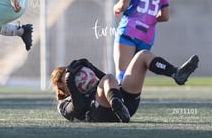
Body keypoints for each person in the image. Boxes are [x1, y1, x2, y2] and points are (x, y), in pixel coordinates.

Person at [51, 51, 199, 123]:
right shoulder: (63, 105)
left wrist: (91, 67)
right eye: (68, 79)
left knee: (142, 55)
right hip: (102, 114)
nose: (77, 79)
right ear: (60, 85)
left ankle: (176, 73)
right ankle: (117, 103)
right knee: (109, 78)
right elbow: (79, 108)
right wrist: (71, 81)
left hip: (126, 106)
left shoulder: (99, 87)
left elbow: (107, 80)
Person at [113, 0, 170, 84]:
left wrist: (115, 8)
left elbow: (123, 5)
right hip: (146, 37)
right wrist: (148, 18)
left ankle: (120, 103)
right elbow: (165, 16)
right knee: (135, 78)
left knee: (122, 74)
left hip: (129, 32)